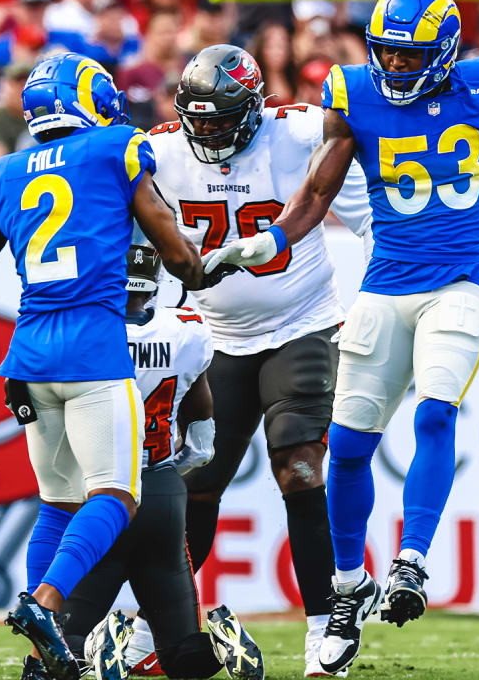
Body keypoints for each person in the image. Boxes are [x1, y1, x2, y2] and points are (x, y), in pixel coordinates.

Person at [205, 0, 479, 675]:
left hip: (458, 284)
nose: (396, 68)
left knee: (436, 414)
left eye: (410, 57)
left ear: (445, 51)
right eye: (387, 55)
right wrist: (269, 241)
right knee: (343, 448)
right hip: (384, 284)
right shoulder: (354, 92)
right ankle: (348, 589)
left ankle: (410, 561)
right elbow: (317, 191)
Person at [0, 53, 231, 680]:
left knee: (56, 502)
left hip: (26, 358)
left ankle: (38, 652)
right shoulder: (117, 149)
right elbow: (176, 256)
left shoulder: (1, 173)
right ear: (89, 102)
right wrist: (212, 263)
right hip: (90, 349)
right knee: (117, 494)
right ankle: (44, 605)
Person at [146, 43, 371, 678]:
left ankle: (324, 629)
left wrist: (379, 303)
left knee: (299, 466)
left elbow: (371, 219)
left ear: (253, 108)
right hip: (214, 337)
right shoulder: (160, 151)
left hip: (301, 324)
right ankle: (156, 626)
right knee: (196, 484)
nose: (208, 129)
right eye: (199, 117)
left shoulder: (298, 135)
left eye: (221, 117)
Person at [59, 236, 263, 680]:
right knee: (182, 655)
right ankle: (222, 646)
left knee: (63, 640)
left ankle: (95, 645)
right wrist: (179, 464)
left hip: (103, 495)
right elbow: (202, 426)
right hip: (163, 490)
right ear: (155, 282)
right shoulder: (184, 329)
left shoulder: (84, 330)